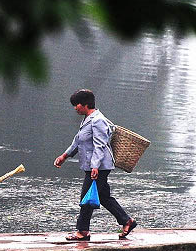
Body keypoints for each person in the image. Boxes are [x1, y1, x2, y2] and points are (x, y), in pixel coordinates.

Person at [54, 89, 137, 242]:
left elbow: (100, 145)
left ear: (85, 104)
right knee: (103, 197)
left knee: (86, 198)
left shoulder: (98, 120)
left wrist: (94, 167)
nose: (75, 108)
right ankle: (126, 221)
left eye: (76, 104)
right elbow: (78, 141)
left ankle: (83, 231)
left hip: (99, 167)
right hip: (95, 166)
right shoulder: (88, 119)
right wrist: (64, 156)